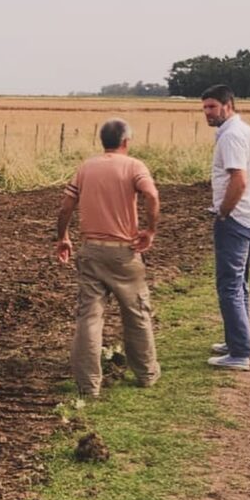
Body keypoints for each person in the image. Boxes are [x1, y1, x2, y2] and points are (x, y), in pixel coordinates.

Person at [56, 118, 161, 398]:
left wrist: (63, 237)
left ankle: (88, 386)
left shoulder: (86, 168)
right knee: (137, 313)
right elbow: (151, 194)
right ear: (126, 142)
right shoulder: (134, 167)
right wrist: (149, 230)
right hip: (124, 252)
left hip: (91, 250)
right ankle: (146, 374)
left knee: (89, 317)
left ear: (103, 141)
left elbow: (66, 206)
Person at [202, 84, 250, 371]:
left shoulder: (231, 136)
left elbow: (238, 181)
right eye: (204, 108)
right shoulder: (240, 131)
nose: (207, 113)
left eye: (212, 107)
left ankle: (240, 352)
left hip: (238, 219)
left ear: (228, 105)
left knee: (229, 285)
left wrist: (223, 213)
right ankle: (235, 341)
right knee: (239, 283)